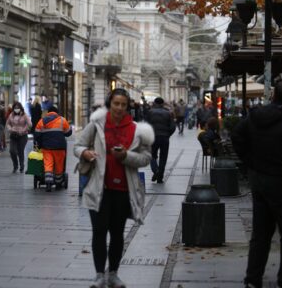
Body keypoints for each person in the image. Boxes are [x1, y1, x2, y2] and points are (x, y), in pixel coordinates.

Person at [73, 88, 154, 288]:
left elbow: (146, 158)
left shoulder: (136, 129)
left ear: (128, 107)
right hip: (99, 188)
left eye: (123, 105)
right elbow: (78, 146)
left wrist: (126, 156)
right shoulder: (97, 124)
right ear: (110, 104)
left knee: (117, 233)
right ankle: (100, 274)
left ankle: (114, 274)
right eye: (116, 103)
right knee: (99, 231)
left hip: (124, 190)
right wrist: (85, 153)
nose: (119, 108)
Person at [231, 80, 282, 288]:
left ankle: (253, 278)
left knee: (260, 233)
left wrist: (250, 162)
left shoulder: (255, 116)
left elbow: (236, 135)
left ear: (272, 96)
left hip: (259, 180)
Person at [34, 106, 72, 192]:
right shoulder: (62, 120)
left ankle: (48, 183)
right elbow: (68, 133)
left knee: (48, 164)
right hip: (60, 147)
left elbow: (37, 134)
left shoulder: (42, 121)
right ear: (56, 112)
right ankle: (58, 183)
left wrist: (39, 145)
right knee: (59, 166)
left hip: (47, 147)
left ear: (48, 112)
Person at [146, 97, 176, 183]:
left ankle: (156, 171)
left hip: (153, 137)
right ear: (163, 104)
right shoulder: (168, 113)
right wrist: (167, 135)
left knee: (152, 155)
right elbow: (173, 127)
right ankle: (160, 177)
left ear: (155, 103)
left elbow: (146, 125)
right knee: (163, 157)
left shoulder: (150, 112)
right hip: (164, 138)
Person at [5, 101, 32, 173]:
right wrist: (10, 129)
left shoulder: (24, 115)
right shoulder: (11, 115)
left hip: (22, 136)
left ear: (20, 108)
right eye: (15, 108)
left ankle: (21, 165)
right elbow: (8, 123)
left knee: (20, 151)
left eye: (18, 108)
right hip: (13, 135)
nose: (16, 109)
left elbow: (29, 124)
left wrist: (23, 130)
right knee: (12, 151)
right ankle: (15, 165)